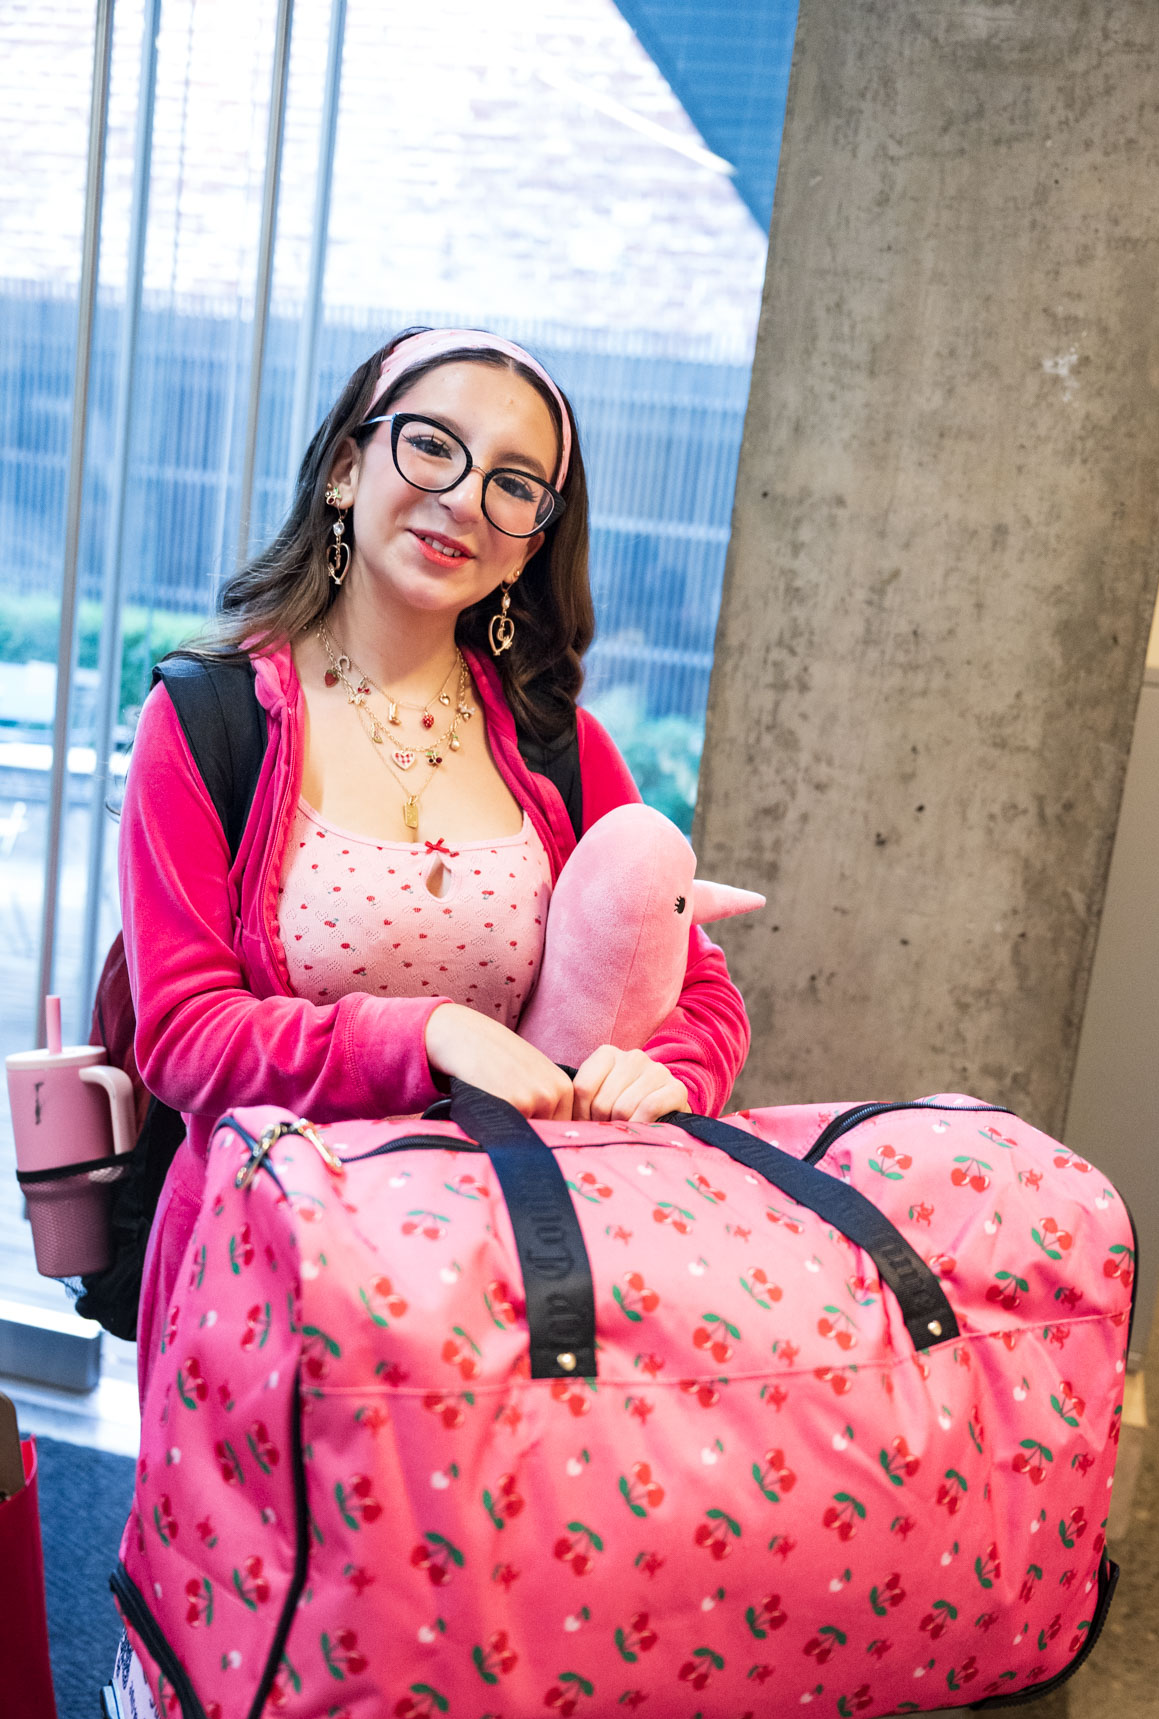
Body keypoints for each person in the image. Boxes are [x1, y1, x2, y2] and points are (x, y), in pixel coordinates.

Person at [119, 326, 750, 1400]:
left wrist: (669, 1072)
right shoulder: (210, 717)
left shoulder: (564, 748)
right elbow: (181, 1036)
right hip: (265, 1292)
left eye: (514, 484)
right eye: (431, 447)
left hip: (501, 1307)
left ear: (530, 542)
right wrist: (427, 1032)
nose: (463, 497)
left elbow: (698, 990)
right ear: (344, 468)